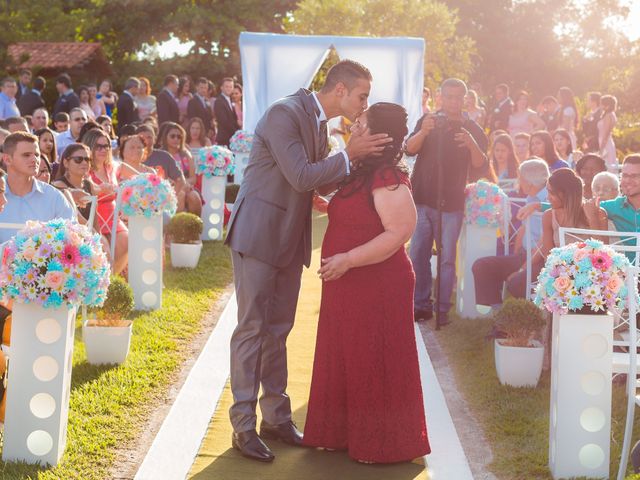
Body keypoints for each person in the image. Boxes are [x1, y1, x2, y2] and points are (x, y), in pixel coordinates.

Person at [224, 59, 391, 463]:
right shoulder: (285, 112)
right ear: (340, 91)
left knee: (279, 329)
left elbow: (315, 178)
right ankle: (243, 427)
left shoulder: (317, 121)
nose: (364, 104)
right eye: (362, 96)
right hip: (258, 233)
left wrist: (356, 169)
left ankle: (276, 419)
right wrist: (348, 155)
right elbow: (301, 175)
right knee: (252, 329)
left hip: (288, 238)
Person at [303, 103, 430, 463]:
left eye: (360, 123)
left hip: (377, 282)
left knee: (372, 357)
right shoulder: (360, 172)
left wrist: (348, 259)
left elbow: (399, 232)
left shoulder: (388, 177)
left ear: (378, 135)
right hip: (348, 281)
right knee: (346, 353)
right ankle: (341, 433)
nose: (354, 127)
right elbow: (363, 214)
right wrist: (328, 206)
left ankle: (381, 443)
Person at [405, 78, 488, 325]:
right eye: (448, 96)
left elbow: (480, 166)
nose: (452, 101)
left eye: (457, 97)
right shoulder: (429, 120)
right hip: (421, 198)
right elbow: (409, 149)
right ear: (440, 97)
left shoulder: (472, 127)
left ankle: (442, 308)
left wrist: (472, 144)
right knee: (418, 252)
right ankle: (420, 305)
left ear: (464, 99)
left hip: (451, 202)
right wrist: (424, 131)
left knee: (447, 257)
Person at [472, 158, 550, 308]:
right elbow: (523, 228)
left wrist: (521, 269)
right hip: (525, 254)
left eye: (520, 178)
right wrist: (515, 258)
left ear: (529, 182)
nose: (518, 182)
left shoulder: (548, 200)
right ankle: (498, 315)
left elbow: (542, 245)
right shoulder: (531, 197)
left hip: (541, 259)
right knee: (482, 266)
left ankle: (524, 321)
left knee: (516, 283)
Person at [0, 132, 75, 243]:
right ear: (7, 159)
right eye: (26, 155)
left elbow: (72, 236)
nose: (34, 159)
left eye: (37, 154)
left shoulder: (53, 197)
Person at [84, 129, 130, 275]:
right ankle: (104, 281)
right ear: (90, 147)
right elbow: (87, 186)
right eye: (99, 146)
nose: (103, 150)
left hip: (113, 216)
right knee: (103, 251)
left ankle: (112, 279)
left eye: (106, 146)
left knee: (126, 241)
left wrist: (149, 176)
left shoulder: (111, 167)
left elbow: (132, 172)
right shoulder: (85, 167)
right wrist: (99, 188)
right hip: (95, 217)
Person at [158, 122, 202, 216]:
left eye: (179, 137)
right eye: (172, 136)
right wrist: (178, 184)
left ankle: (195, 227)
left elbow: (193, 178)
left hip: (187, 186)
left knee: (194, 197)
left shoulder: (186, 154)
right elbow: (159, 177)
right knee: (180, 196)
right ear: (166, 137)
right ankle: (176, 228)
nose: (176, 139)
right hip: (167, 188)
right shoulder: (160, 155)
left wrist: (183, 183)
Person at [214, 77, 240, 146]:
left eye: (231, 87)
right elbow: (224, 121)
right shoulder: (219, 101)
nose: (229, 89)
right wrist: (237, 133)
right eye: (226, 86)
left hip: (231, 137)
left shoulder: (230, 100)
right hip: (224, 138)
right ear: (221, 87)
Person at [598, 94, 618, 172]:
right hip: (605, 142)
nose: (601, 105)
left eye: (602, 103)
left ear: (607, 105)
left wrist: (602, 148)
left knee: (607, 165)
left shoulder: (608, 115)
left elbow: (606, 134)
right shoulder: (609, 114)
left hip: (606, 143)